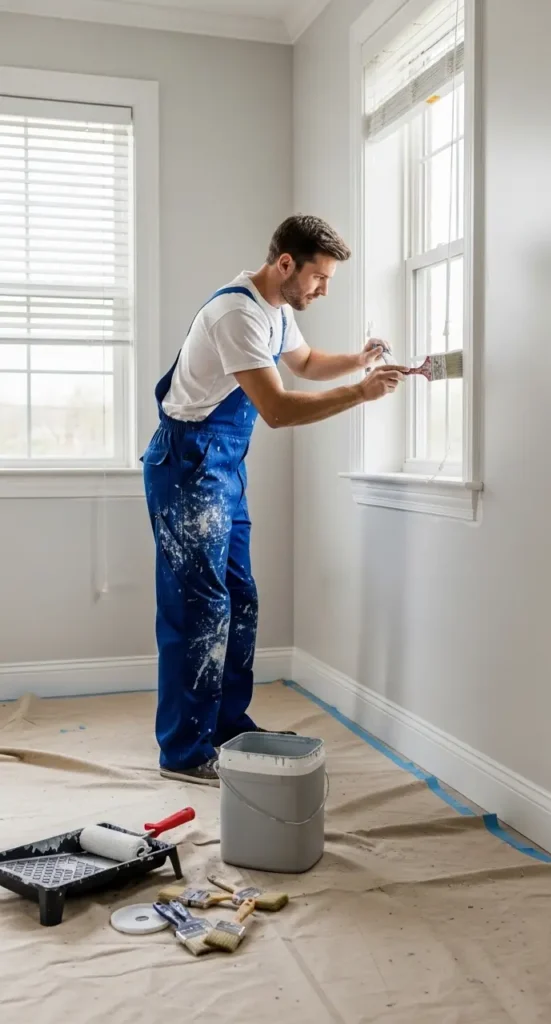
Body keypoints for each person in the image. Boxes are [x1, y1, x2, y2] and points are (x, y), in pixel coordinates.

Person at [142, 214, 405, 785]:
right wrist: (360, 394)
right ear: (286, 263)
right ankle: (184, 752)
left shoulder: (276, 309)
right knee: (198, 608)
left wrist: (359, 361)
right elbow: (279, 409)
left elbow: (304, 363)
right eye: (319, 277)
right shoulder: (236, 314)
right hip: (187, 466)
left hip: (222, 467)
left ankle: (227, 729)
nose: (324, 289)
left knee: (240, 598)